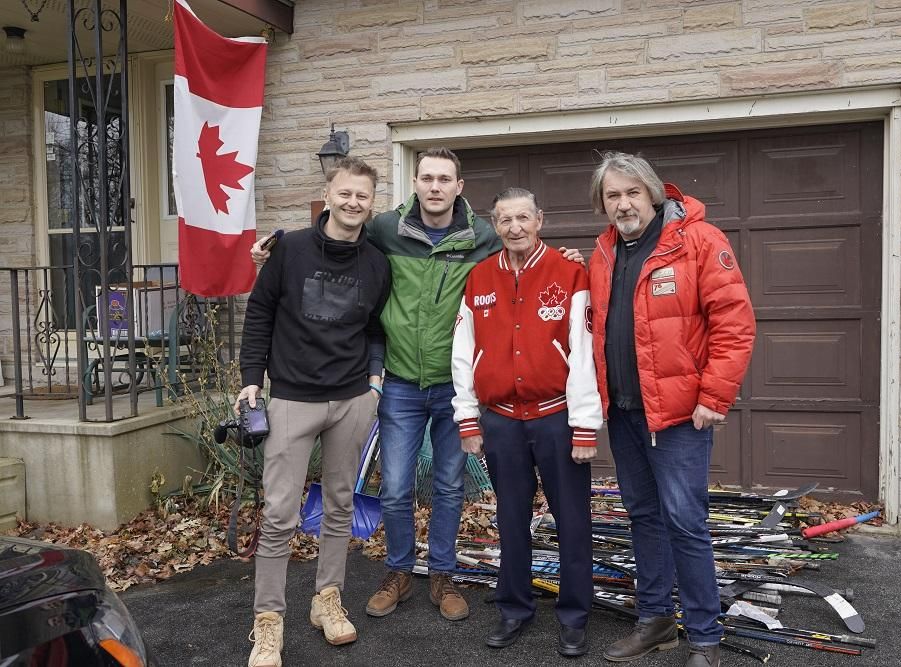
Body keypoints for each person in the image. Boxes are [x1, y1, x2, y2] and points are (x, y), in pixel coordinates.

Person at [251, 148, 583, 624]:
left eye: (444, 179)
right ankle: (399, 571)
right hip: (401, 381)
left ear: (459, 187)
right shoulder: (385, 229)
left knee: (448, 485)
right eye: (427, 178)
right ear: (415, 183)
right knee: (395, 487)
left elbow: (525, 249)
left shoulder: (483, 236)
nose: (435, 187)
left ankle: (442, 574)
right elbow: (335, 234)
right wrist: (277, 246)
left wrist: (566, 257)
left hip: (454, 384)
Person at [587, 153, 756, 667]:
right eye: (613, 195)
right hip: (624, 412)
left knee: (685, 522)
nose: (623, 204)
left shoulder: (698, 241)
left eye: (632, 192)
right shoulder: (603, 252)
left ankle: (704, 637)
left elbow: (734, 324)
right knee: (643, 516)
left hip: (680, 417)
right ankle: (657, 621)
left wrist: (714, 398)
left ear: (654, 194)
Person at [237, 156, 391, 667]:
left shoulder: (377, 262)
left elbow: (375, 327)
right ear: (328, 195)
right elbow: (260, 312)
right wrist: (251, 380)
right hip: (291, 399)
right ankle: (268, 622)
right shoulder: (290, 250)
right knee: (280, 514)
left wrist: (373, 383)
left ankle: (327, 600)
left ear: (372, 202)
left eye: (362, 196)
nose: (353, 202)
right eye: (344, 193)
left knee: (340, 505)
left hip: (352, 399)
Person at [451, 188, 602, 657]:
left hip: (556, 418)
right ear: (494, 226)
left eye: (523, 218)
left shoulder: (570, 273)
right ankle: (514, 609)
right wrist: (467, 418)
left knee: (572, 520)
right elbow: (463, 352)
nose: (514, 227)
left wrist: (585, 425)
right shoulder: (479, 278)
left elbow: (584, 353)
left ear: (540, 220)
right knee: (510, 519)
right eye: (505, 220)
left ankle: (574, 616)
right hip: (501, 423)